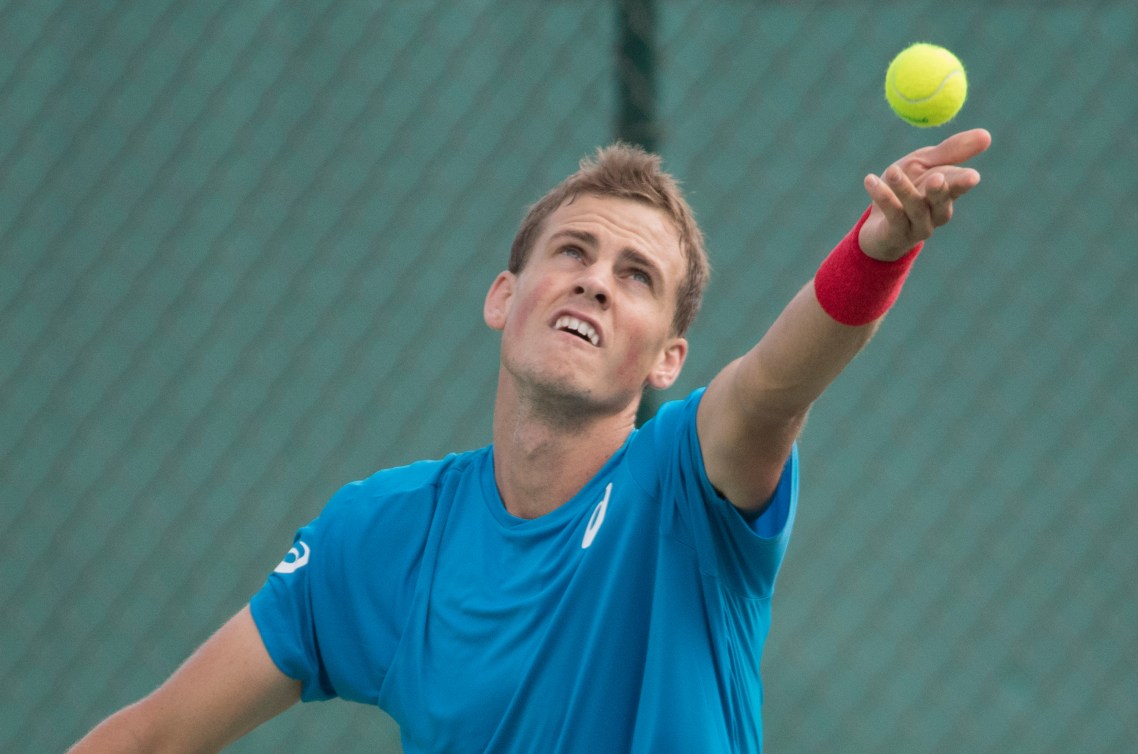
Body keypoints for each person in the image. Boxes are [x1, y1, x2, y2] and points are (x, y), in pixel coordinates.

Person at [69, 127, 992, 753]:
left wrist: (877, 252)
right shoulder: (380, 537)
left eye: (635, 276)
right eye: (573, 252)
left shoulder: (684, 487)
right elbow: (157, 736)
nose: (595, 282)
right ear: (504, 298)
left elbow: (776, 384)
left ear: (668, 359)